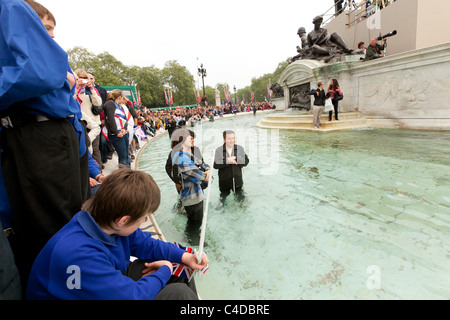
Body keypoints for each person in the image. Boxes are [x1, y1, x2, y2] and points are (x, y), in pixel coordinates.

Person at [0, 0, 90, 293]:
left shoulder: (9, 6)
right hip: (36, 138)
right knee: (57, 228)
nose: (48, 39)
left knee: (60, 227)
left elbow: (37, 70)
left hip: (44, 136)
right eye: (45, 29)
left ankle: (74, 289)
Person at [26, 168, 208, 300]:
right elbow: (133, 296)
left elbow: (145, 243)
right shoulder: (79, 256)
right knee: (179, 294)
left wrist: (184, 256)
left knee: (180, 269)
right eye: (143, 219)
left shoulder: (104, 220)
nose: (143, 223)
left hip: (102, 282)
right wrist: (165, 270)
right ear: (123, 220)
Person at [171, 129, 210, 245]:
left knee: (194, 221)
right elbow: (199, 176)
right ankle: (192, 240)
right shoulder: (181, 157)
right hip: (191, 197)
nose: (192, 140)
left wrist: (207, 169)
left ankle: (190, 238)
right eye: (189, 138)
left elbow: (201, 163)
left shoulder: (187, 154)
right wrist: (207, 175)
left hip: (195, 195)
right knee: (195, 222)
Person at [74, 68, 103, 170]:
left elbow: (98, 104)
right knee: (84, 150)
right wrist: (76, 87)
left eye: (85, 78)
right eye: (80, 78)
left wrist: (91, 90)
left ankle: (98, 172)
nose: (83, 80)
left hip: (93, 123)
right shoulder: (74, 90)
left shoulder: (91, 91)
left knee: (95, 149)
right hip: (79, 123)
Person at [213, 130, 249, 203]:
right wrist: (227, 161)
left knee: (242, 201)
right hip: (224, 182)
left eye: (233, 138)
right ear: (224, 139)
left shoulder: (239, 148)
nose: (232, 140)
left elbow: (246, 161)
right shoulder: (219, 150)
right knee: (223, 202)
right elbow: (215, 165)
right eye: (229, 139)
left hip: (237, 181)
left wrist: (236, 158)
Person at [103, 89, 131, 168]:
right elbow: (110, 120)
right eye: (123, 97)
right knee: (123, 158)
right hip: (116, 134)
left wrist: (124, 129)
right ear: (119, 97)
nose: (123, 99)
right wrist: (116, 132)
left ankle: (129, 174)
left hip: (123, 133)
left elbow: (124, 119)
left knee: (126, 156)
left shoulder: (120, 106)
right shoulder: (110, 104)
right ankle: (124, 177)